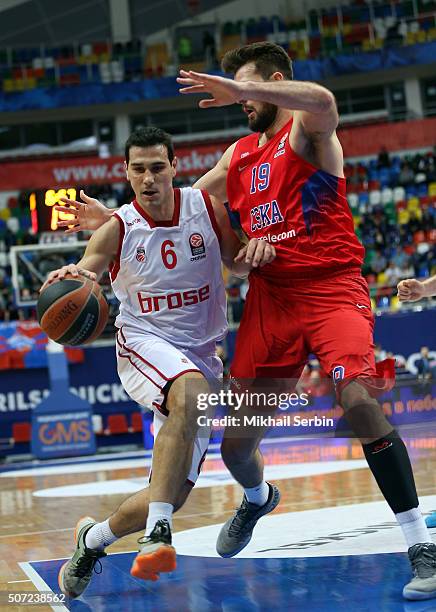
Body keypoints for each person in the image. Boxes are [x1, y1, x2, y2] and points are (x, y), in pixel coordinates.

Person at [55, 43, 436, 601]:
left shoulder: (307, 132)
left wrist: (246, 88)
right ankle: (258, 499)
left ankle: (419, 546)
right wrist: (112, 218)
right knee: (235, 446)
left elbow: (325, 99)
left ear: (273, 83)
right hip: (271, 303)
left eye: (247, 90)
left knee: (357, 399)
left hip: (332, 292)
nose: (239, 102)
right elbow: (178, 204)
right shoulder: (238, 156)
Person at [46, 127, 275, 598]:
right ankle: (158, 534)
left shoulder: (206, 209)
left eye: (156, 167)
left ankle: (93, 541)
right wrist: (78, 273)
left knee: (169, 492)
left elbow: (236, 262)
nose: (148, 178)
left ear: (173, 167)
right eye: (138, 169)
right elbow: (91, 262)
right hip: (144, 341)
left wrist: (253, 254)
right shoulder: (118, 225)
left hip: (204, 351)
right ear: (126, 173)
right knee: (188, 390)